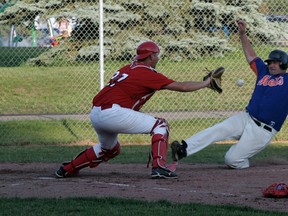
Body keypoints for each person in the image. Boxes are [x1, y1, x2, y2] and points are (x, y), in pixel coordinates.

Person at [55, 41, 212, 179]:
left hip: (97, 113)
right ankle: (159, 168)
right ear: (151, 56)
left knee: (109, 149)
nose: (158, 58)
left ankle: (67, 169)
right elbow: (182, 86)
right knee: (160, 126)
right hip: (112, 113)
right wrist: (206, 83)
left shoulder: (128, 68)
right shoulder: (145, 72)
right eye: (157, 55)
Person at [171, 19, 288, 169]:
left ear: (284, 64)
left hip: (263, 130)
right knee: (218, 129)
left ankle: (245, 161)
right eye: (270, 62)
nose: (271, 64)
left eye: (275, 62)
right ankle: (183, 149)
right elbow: (251, 55)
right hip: (247, 117)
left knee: (232, 160)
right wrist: (243, 34)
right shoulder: (263, 72)